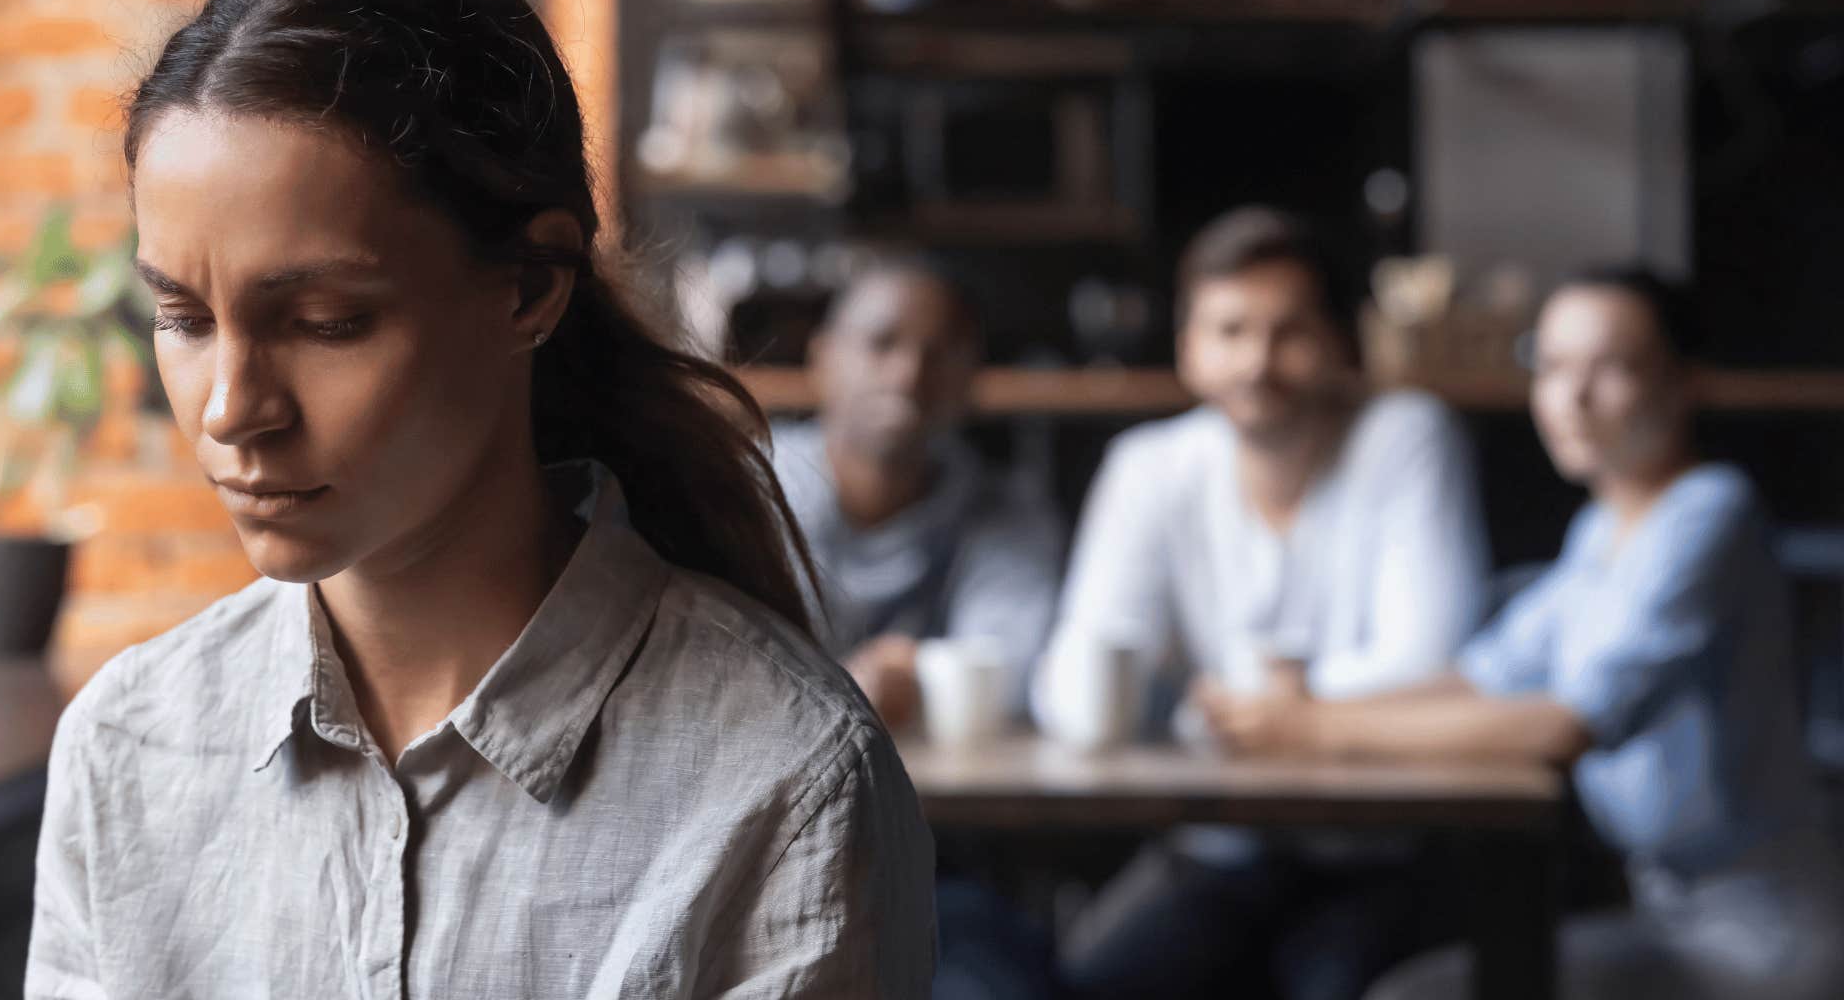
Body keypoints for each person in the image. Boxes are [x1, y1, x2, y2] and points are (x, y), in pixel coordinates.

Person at [25, 0, 933, 998]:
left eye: (325, 322)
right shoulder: (127, 746)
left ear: (531, 286)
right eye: (181, 316)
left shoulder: (782, 780)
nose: (232, 411)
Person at [1207, 267, 1844, 1000]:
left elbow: (1566, 725)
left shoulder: (1709, 514)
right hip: (1666, 914)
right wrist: (1299, 708)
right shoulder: (1602, 530)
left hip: (1765, 940)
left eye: (1612, 369)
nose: (1572, 399)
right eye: (1553, 367)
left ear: (1685, 383)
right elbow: (1481, 675)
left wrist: (1314, 730)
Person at [1035, 206, 1490, 999]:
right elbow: (1078, 677)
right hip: (1219, 845)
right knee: (1085, 987)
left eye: (1290, 331)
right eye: (1230, 330)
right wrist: (1127, 689)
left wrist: (1240, 709)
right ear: (1187, 347)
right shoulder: (1150, 465)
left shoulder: (1408, 433)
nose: (1257, 361)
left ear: (1341, 342)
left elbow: (1436, 658)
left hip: (1382, 852)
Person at [773, 259, 1064, 729]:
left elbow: (1017, 670)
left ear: (972, 378)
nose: (909, 373)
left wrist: (915, 676)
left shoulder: (1009, 511)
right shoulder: (747, 490)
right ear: (821, 358)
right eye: (881, 343)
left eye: (940, 353)